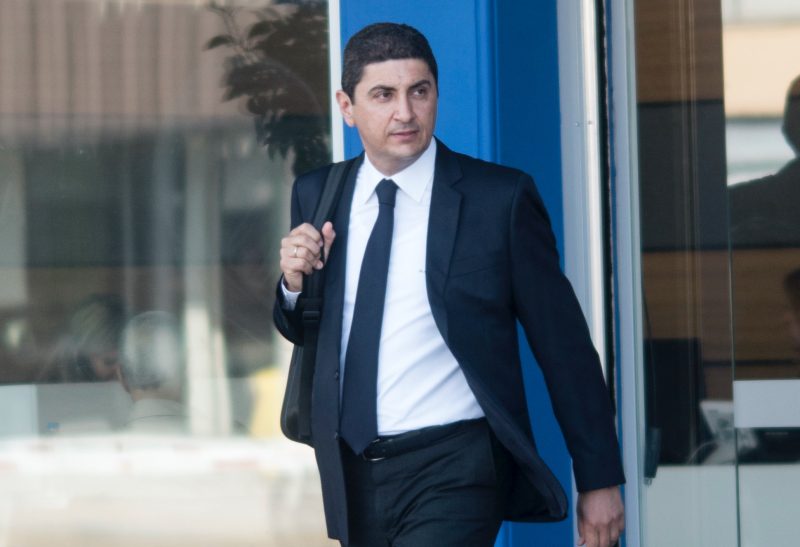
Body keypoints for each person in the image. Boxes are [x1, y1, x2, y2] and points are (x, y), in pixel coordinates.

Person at [274, 23, 624, 547]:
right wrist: (292, 283)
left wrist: (599, 478)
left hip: (457, 466)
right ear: (347, 107)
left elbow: (564, 346)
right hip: (350, 468)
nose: (405, 113)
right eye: (383, 95)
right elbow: (305, 328)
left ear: (437, 93)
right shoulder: (318, 193)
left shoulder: (498, 200)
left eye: (419, 91)